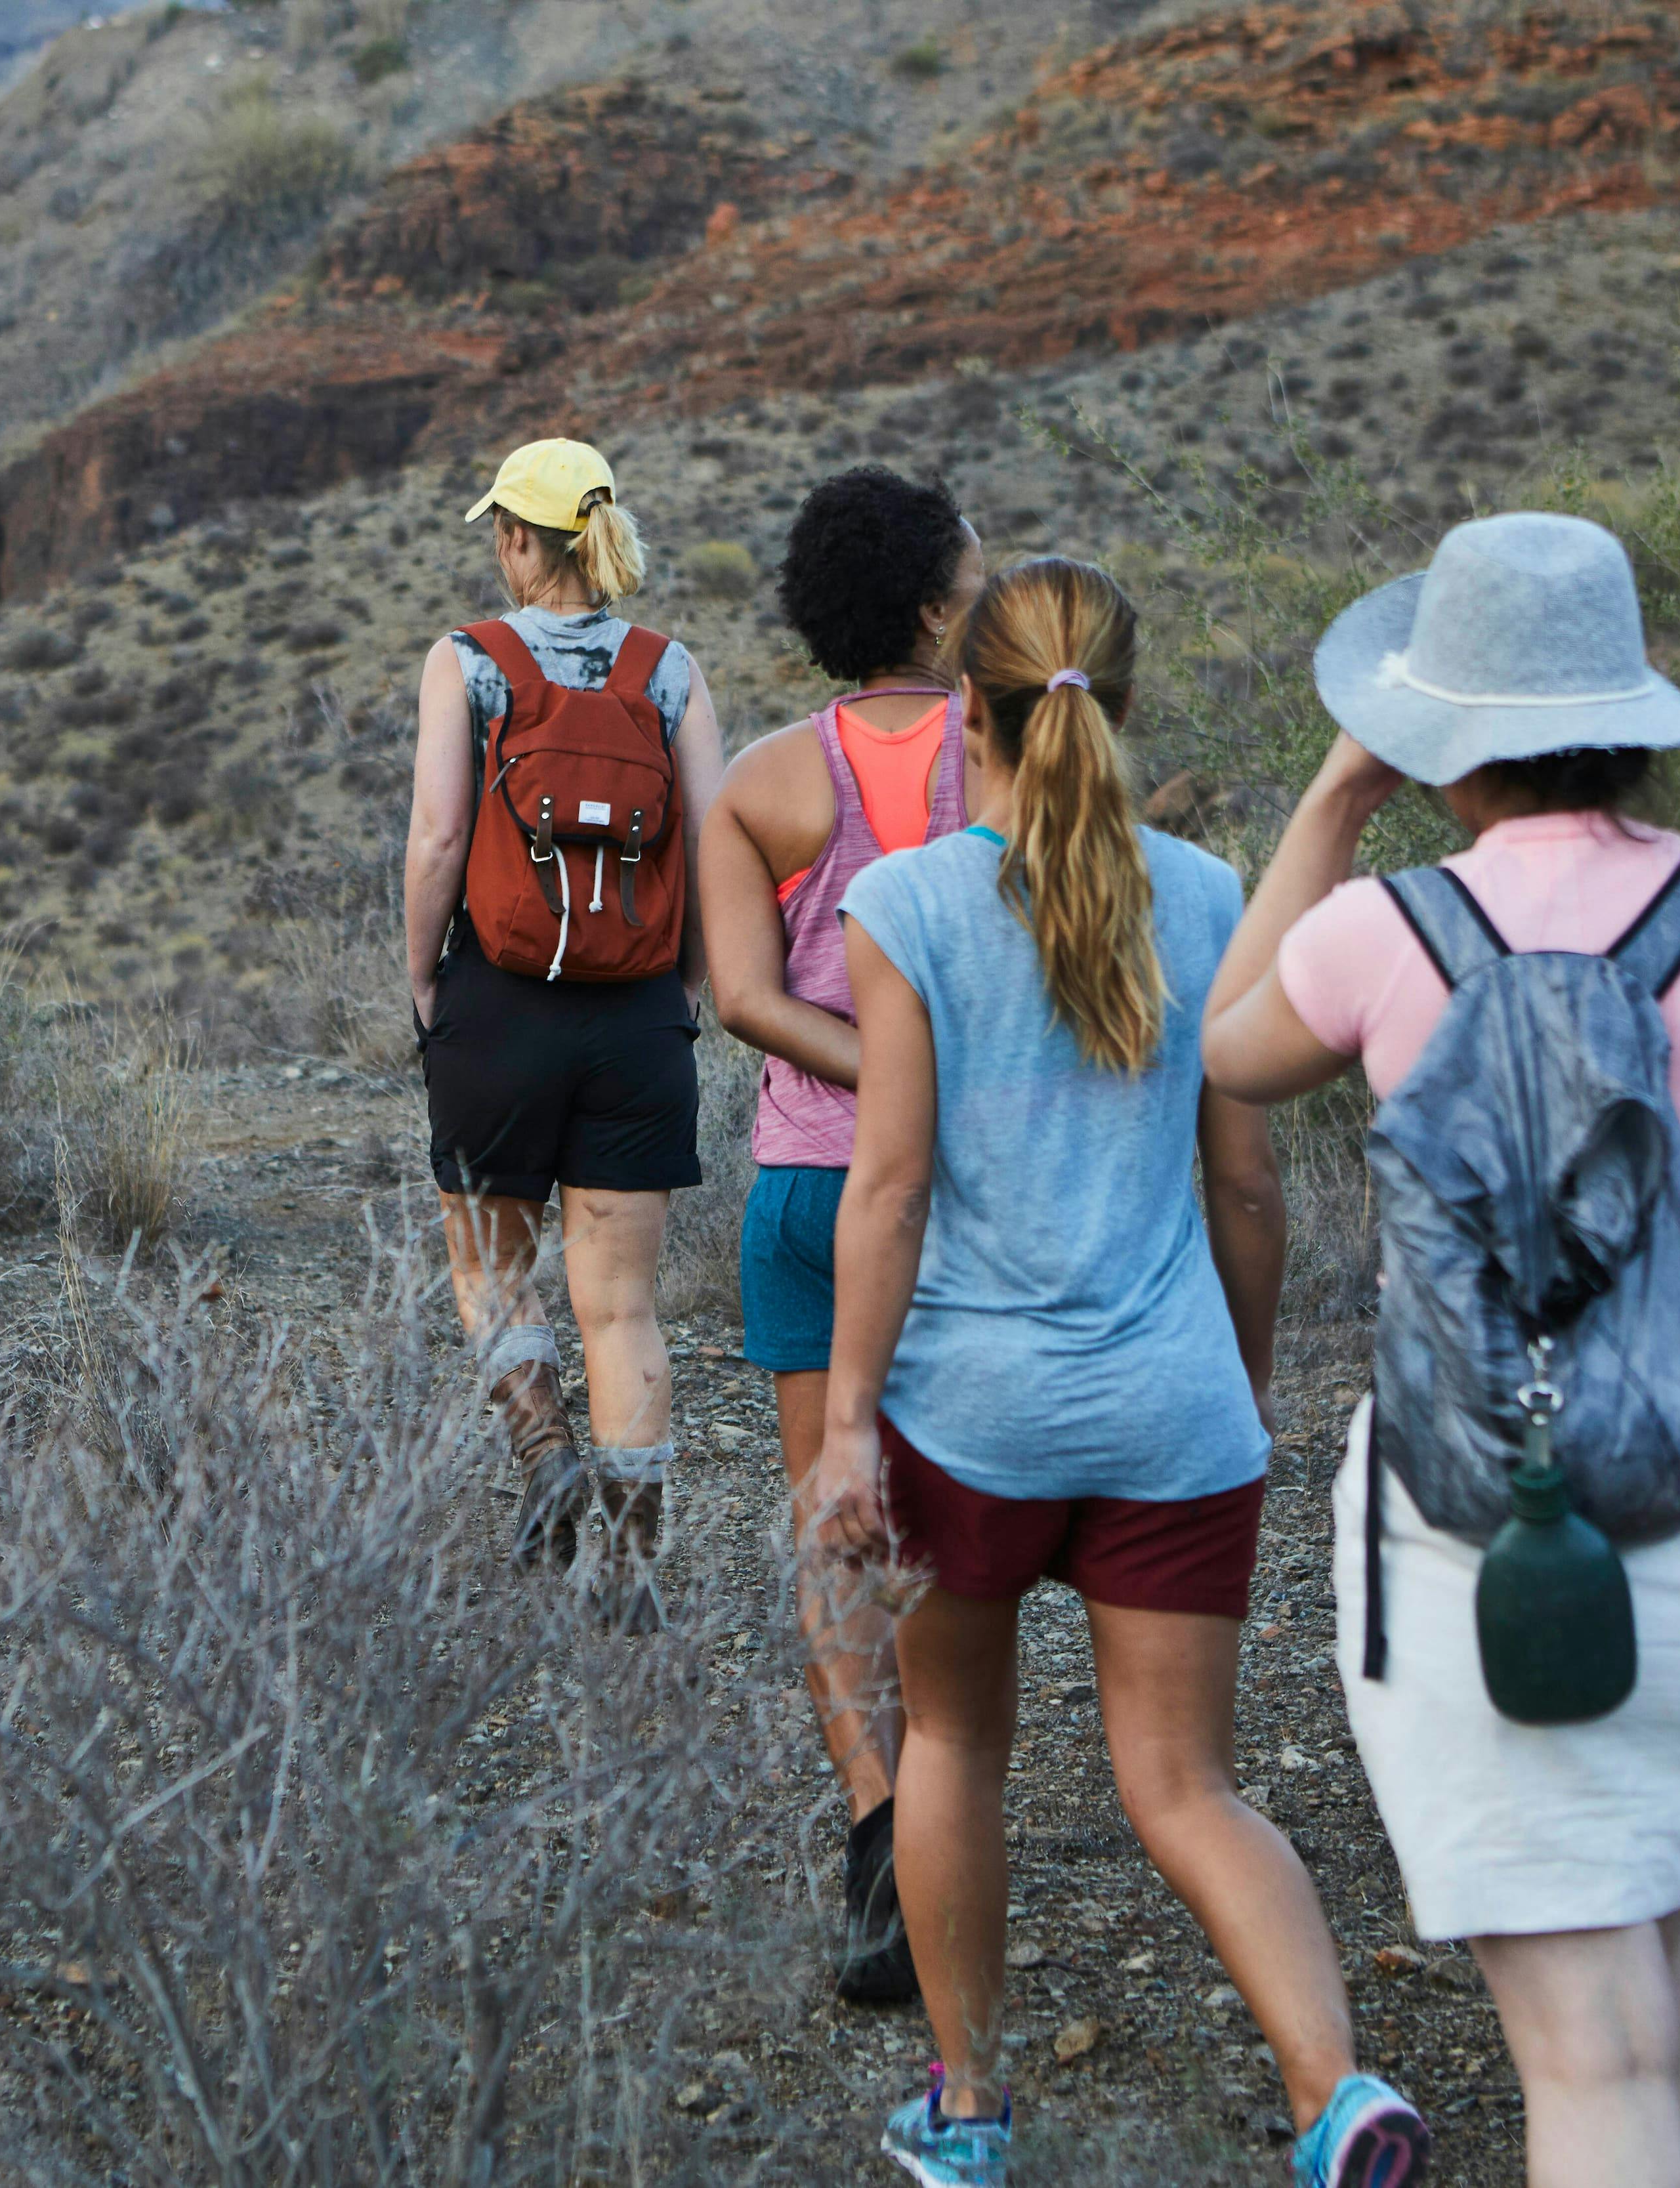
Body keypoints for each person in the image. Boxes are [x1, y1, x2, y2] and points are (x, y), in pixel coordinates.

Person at [1201, 512, 1680, 2188]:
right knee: (1652, 1970)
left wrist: (1332, 799)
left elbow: (1225, 1048)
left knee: (1585, 2048)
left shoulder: (1392, 931)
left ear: (1445, 735)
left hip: (1484, 1526)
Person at [805, 556, 1427, 2188]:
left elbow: (887, 1187)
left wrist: (849, 1423)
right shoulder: (1215, 896)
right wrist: (1231, 1382)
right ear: (1125, 711)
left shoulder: (909, 904)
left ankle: (970, 2109)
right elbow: (1248, 1183)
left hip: (972, 1419)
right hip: (1170, 1412)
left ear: (968, 719)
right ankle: (1335, 2095)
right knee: (1187, 1784)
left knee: (952, 1748)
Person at [699, 465, 982, 2006]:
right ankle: (947, 1813)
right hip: (953, 1196)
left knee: (831, 1516)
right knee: (945, 1522)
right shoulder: (1009, 759)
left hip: (805, 1189)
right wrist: (928, 1072)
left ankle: (875, 1824)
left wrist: (856, 1063)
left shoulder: (759, 780)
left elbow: (739, 998)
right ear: (935, 606)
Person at [404, 438, 728, 1633]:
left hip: (499, 1002)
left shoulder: (468, 662)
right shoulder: (668, 670)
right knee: (624, 1307)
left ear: (518, 540)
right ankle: (634, 1576)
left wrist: (424, 981)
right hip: (637, 1019)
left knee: (490, 1265)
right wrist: (683, 990)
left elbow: (439, 842)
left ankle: (542, 1444)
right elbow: (715, 840)